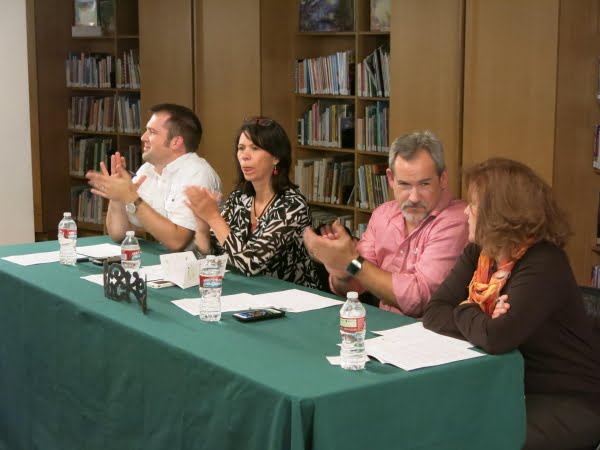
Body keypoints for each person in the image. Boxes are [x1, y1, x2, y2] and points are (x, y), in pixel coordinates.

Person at [422, 158, 600, 449]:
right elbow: (434, 312)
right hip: (509, 387)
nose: (465, 211)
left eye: (474, 205)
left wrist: (467, 307)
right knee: (436, 423)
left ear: (500, 214)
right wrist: (481, 315)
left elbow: (496, 337)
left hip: (566, 400)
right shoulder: (479, 254)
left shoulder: (544, 262)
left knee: (478, 439)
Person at [303, 131, 469, 317]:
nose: (414, 197)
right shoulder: (383, 214)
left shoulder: (457, 221)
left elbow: (419, 299)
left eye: (424, 184)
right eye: (404, 184)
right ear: (390, 179)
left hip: (434, 338)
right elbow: (356, 283)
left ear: (443, 178)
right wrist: (340, 269)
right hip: (387, 333)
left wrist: (351, 262)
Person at [185, 116, 323, 290]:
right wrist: (202, 226)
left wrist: (213, 217)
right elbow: (215, 256)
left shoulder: (292, 206)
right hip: (249, 292)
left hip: (293, 300)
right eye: (241, 148)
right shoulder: (240, 197)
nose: (244, 156)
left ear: (276, 157)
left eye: (255, 148)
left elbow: (250, 263)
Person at [86, 103, 221, 251]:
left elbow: (179, 242)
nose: (143, 137)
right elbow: (119, 234)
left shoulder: (197, 174)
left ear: (176, 142)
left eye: (152, 132)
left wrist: (131, 198)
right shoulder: (148, 169)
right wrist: (117, 197)